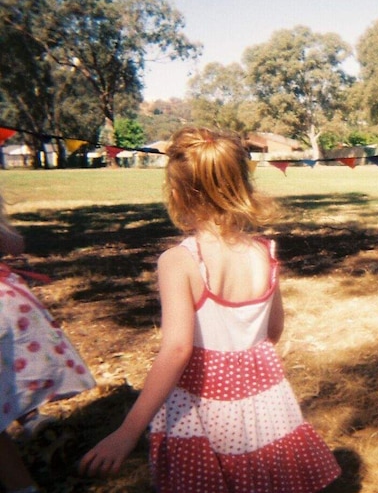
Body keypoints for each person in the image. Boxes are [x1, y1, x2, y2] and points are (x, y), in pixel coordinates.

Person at [79, 126, 340, 492]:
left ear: (177, 195)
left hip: (204, 403)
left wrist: (127, 432)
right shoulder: (264, 252)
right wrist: (246, 363)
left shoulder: (179, 261)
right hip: (264, 396)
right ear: (241, 187)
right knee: (260, 476)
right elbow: (274, 329)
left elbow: (177, 348)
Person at [1, 194, 96, 493]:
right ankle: (31, 419)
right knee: (11, 371)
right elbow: (15, 245)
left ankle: (22, 484)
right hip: (8, 308)